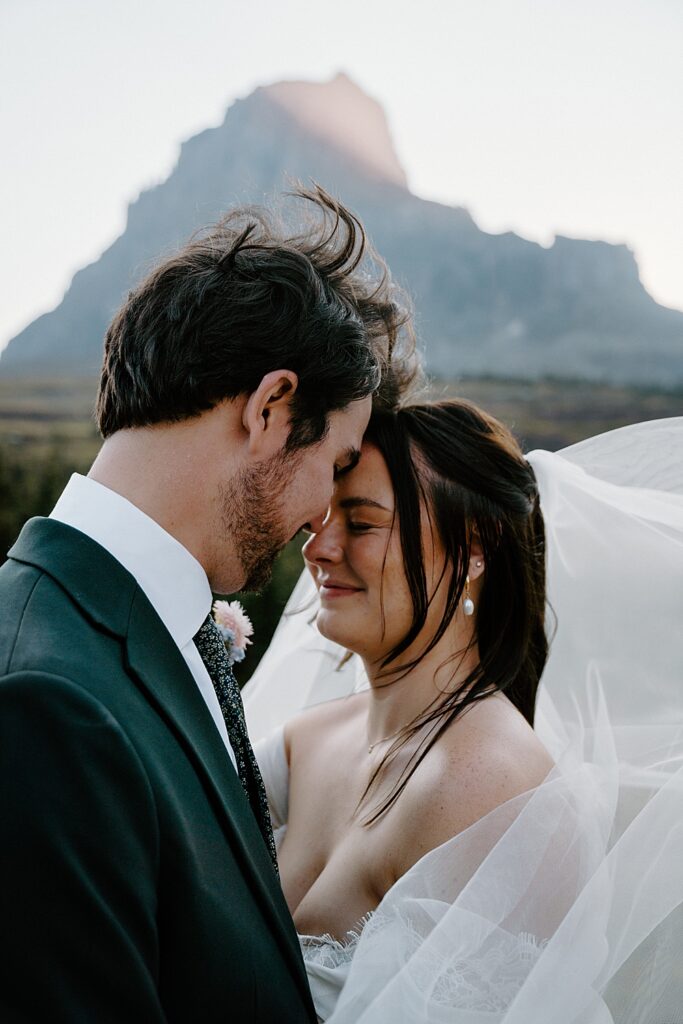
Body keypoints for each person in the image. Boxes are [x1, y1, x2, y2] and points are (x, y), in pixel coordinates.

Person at [0, 188, 415, 1022]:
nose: (319, 520)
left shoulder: (134, 628)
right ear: (270, 409)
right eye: (333, 467)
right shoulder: (43, 703)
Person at [244, 401, 683, 1023]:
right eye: (320, 521)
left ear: (474, 548)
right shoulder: (304, 742)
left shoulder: (493, 788)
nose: (320, 549)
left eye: (363, 524)